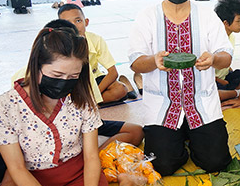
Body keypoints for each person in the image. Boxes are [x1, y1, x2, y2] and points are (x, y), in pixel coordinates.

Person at [0, 23, 143, 186]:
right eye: (57, 75)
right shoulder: (4, 107)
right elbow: (17, 169)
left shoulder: (81, 98)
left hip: (80, 176)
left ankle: (126, 185)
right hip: (41, 185)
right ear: (36, 65)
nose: (65, 83)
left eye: (73, 76)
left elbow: (91, 156)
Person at [128, 0, 233, 176]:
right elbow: (136, 62)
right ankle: (178, 137)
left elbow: (226, 56)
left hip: (202, 104)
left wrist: (214, 59)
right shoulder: (146, 17)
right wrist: (154, 61)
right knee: (162, 165)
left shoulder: (206, 16)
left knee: (216, 162)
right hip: (163, 105)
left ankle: (192, 135)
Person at [12, 13, 144, 148]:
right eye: (57, 74)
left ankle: (98, 155)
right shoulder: (21, 79)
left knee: (136, 131)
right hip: (41, 132)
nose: (65, 80)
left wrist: (90, 150)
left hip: (80, 125)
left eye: (73, 76)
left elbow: (92, 110)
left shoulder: (84, 72)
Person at [58, 4, 138, 104]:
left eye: (78, 21)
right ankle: (87, 101)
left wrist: (95, 94)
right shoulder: (58, 45)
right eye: (67, 23)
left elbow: (113, 72)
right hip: (73, 83)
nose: (74, 27)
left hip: (94, 80)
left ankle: (87, 101)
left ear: (86, 22)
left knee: (120, 90)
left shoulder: (96, 40)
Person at [213, 0, 240, 102]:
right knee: (213, 95)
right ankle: (236, 93)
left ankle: (231, 92)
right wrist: (220, 80)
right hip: (213, 81)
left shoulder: (231, 36)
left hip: (225, 77)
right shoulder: (213, 39)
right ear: (226, 23)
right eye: (238, 21)